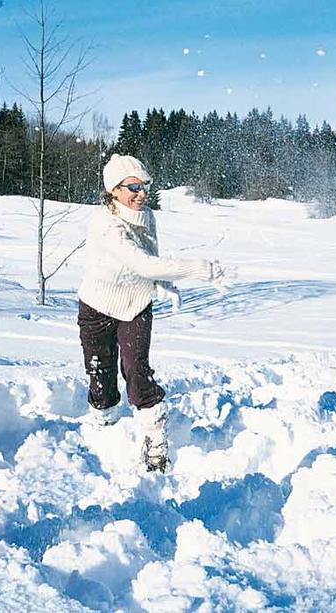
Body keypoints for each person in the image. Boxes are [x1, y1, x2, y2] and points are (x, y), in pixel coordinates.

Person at [77, 154, 222, 472]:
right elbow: (140, 262)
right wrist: (198, 269)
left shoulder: (147, 217)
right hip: (97, 307)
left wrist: (162, 284)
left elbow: (149, 261)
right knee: (100, 375)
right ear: (113, 190)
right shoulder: (105, 225)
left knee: (137, 370)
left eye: (144, 185)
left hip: (136, 306)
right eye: (133, 187)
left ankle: (155, 441)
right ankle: (105, 430)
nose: (142, 193)